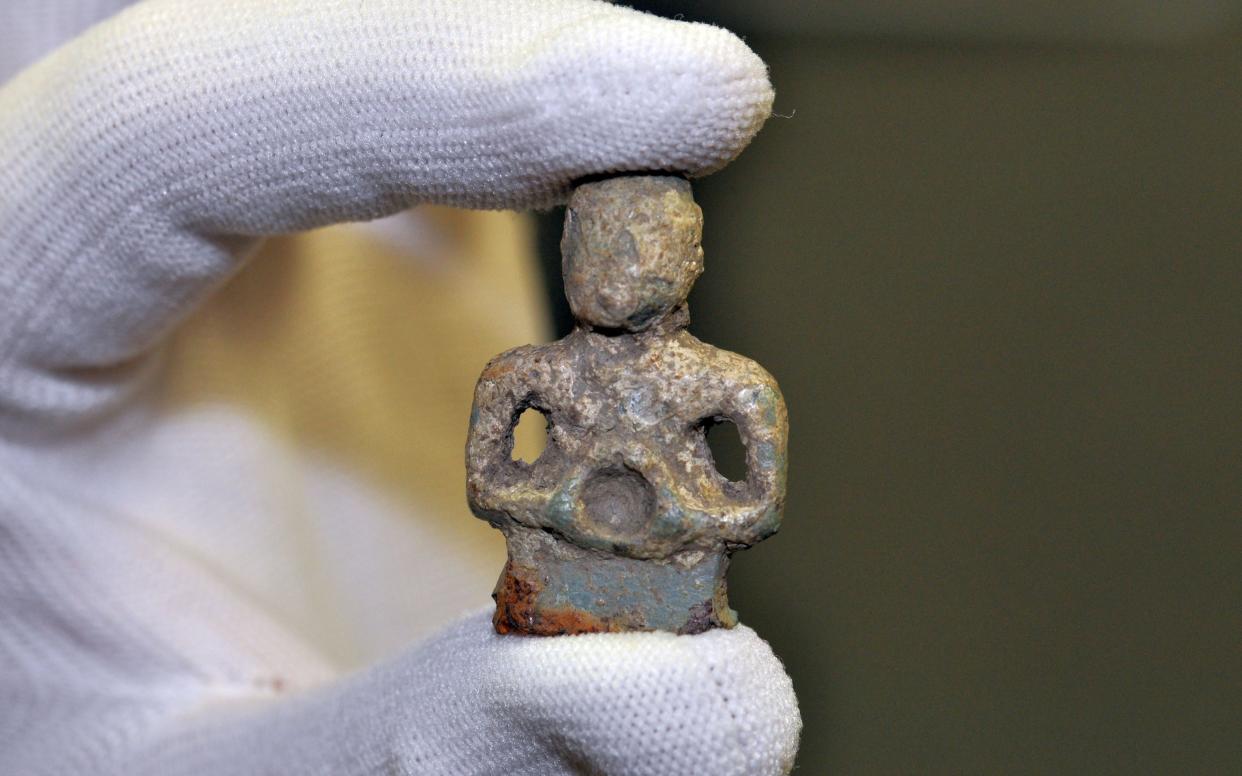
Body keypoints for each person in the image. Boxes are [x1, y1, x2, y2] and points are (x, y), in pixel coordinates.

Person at [0, 1, 800, 773]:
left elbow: (755, 503)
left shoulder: (725, 385)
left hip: (669, 569)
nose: (619, 271)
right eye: (599, 246)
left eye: (644, 250)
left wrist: (670, 506)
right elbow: (488, 480)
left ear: (688, 260)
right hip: (554, 555)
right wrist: (556, 505)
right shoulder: (530, 373)